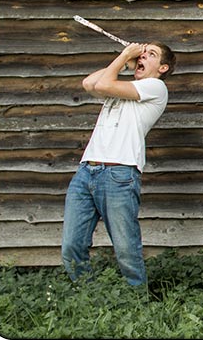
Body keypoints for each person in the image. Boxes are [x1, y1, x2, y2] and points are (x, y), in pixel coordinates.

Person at [62, 41, 175, 286]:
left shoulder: (156, 87)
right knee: (71, 245)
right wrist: (125, 60)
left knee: (126, 249)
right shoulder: (124, 84)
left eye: (151, 55)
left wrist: (125, 55)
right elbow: (89, 83)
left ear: (163, 68)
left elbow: (103, 84)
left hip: (119, 173)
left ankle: (137, 304)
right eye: (143, 53)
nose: (143, 56)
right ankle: (87, 296)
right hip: (86, 171)